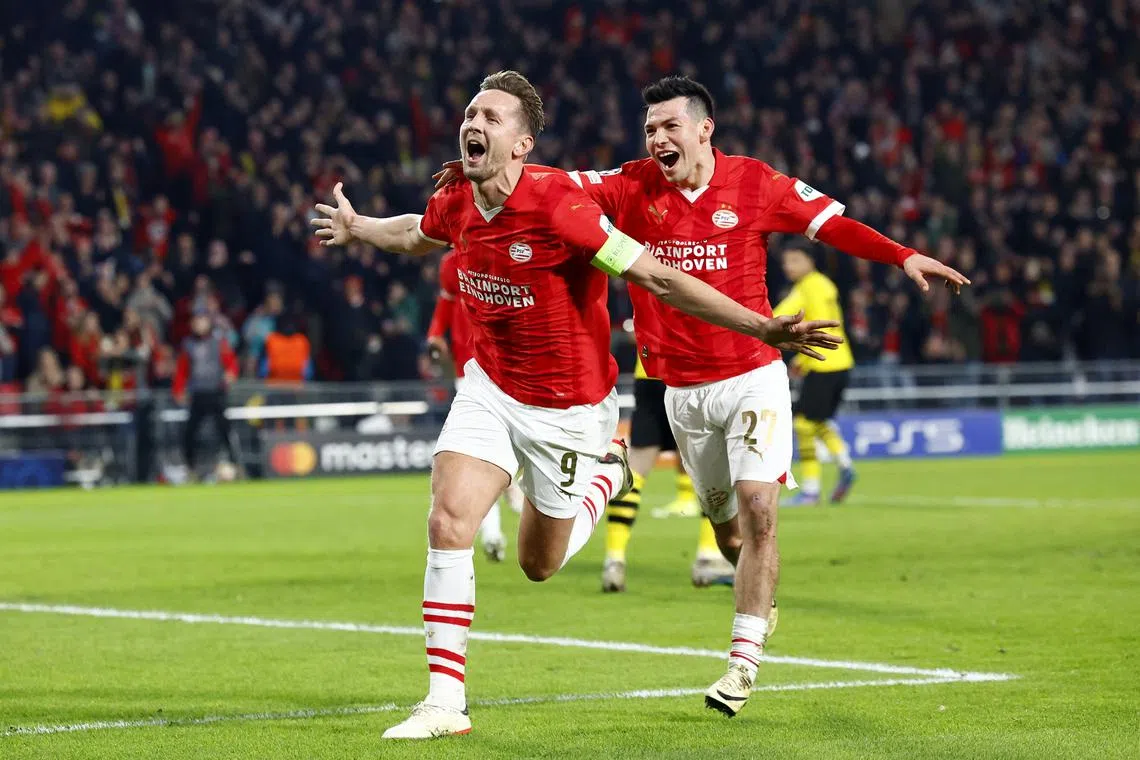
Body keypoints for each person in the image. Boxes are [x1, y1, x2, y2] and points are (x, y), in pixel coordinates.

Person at [311, 70, 841, 740]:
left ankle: (607, 476)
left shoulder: (560, 204)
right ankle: (445, 702)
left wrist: (758, 325)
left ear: (523, 142)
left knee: (540, 564)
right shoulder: (459, 202)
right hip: (490, 388)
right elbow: (417, 232)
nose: (473, 123)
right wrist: (358, 226)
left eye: (492, 117)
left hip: (567, 408)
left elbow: (653, 273)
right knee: (449, 521)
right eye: (470, 112)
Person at [435, 75, 967, 717]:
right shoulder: (628, 185)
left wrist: (901, 255)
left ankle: (741, 664)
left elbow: (832, 225)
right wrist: (484, 162)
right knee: (729, 533)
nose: (658, 138)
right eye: (650, 129)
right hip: (680, 388)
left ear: (703, 129)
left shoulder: (755, 183)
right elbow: (550, 185)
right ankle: (748, 587)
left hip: (754, 371)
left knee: (759, 510)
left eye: (669, 127)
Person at [601, 353, 733, 593]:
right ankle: (708, 557)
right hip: (692, 372)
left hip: (649, 372)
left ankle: (614, 559)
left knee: (637, 467)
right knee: (711, 468)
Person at [426, 248, 525, 563]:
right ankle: (494, 532)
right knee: (480, 454)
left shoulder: (502, 251)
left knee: (500, 451)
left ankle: (515, 489)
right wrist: (434, 335)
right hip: (468, 368)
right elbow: (446, 302)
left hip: (507, 364)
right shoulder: (451, 263)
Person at [774, 248, 857, 505]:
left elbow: (822, 325)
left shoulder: (813, 287)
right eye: (786, 260)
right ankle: (843, 464)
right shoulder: (814, 285)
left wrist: (803, 360)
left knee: (803, 423)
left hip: (825, 364)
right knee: (815, 420)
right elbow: (779, 313)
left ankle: (811, 490)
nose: (789, 265)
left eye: (796, 259)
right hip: (838, 362)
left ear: (811, 261)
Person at [172, 307, 241, 480]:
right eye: (196, 320)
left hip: (216, 392)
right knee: (190, 432)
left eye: (202, 320)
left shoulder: (218, 342)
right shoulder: (188, 345)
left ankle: (235, 464)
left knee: (224, 430)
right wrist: (178, 390)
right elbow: (182, 371)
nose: (199, 324)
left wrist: (231, 373)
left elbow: (231, 362)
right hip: (198, 394)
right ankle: (190, 467)